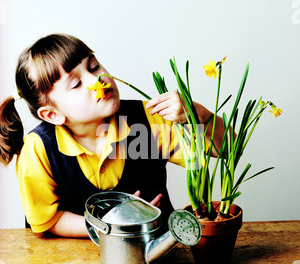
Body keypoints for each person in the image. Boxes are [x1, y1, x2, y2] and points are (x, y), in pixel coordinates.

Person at [0, 34, 226, 238]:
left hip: (157, 255)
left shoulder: (145, 121)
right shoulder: (40, 148)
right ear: (52, 114)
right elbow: (46, 221)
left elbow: (224, 149)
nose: (96, 80)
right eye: (77, 84)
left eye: (94, 66)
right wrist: (110, 225)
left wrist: (198, 114)